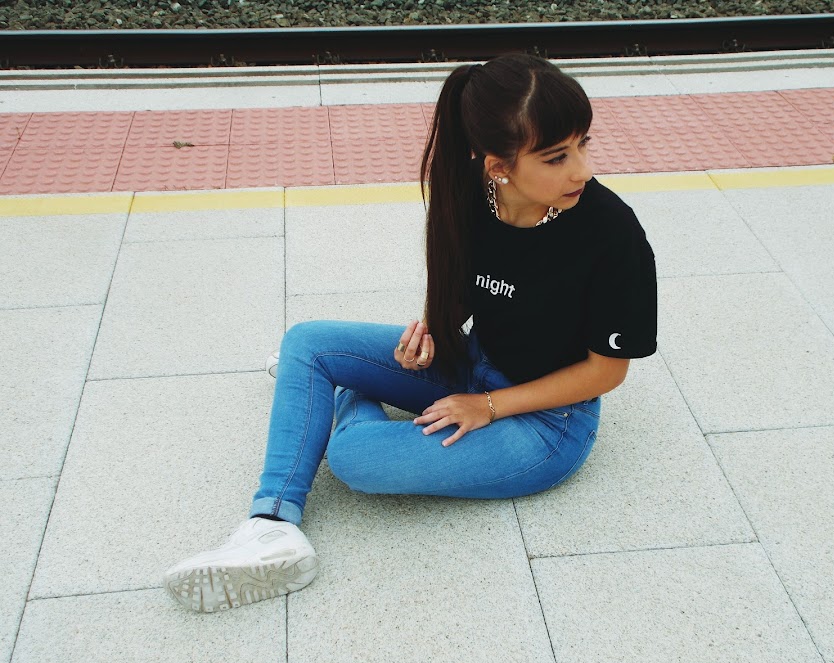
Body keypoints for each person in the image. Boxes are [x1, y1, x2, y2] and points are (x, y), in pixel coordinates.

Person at [164, 53, 657, 613]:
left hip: (545, 426)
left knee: (353, 457)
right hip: (473, 363)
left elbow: (606, 372)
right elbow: (468, 284)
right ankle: (271, 524)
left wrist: (487, 406)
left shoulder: (611, 233)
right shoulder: (472, 190)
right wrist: (433, 331)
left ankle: (340, 394)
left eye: (584, 145)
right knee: (306, 342)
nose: (582, 170)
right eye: (557, 157)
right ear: (498, 166)